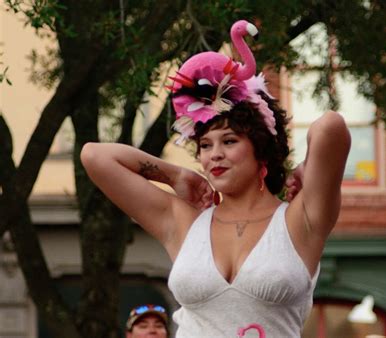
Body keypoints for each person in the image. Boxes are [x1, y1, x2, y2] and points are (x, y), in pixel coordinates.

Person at [81, 19, 351, 337]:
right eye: (205, 145)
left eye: (230, 141)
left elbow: (330, 126)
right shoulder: (183, 223)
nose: (214, 155)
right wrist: (174, 174)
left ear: (261, 149)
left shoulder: (300, 220)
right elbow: (95, 157)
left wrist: (306, 165)